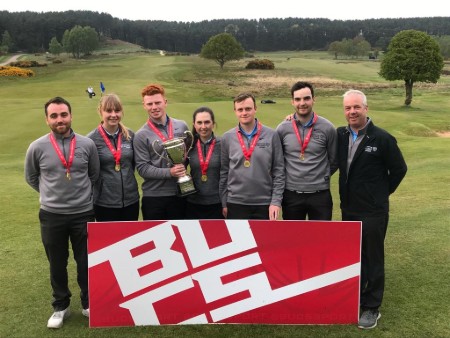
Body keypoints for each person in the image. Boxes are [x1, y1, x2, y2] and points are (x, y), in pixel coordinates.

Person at [24, 96, 100, 329]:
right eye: (54, 115)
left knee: (85, 261)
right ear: (47, 119)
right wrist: (51, 195)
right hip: (52, 215)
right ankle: (61, 306)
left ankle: (88, 303)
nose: (60, 120)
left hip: (83, 213)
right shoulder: (37, 147)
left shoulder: (86, 144)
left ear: (70, 116)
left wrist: (81, 198)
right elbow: (32, 177)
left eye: (63, 114)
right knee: (57, 262)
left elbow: (94, 175)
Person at [337, 89, 407, 329]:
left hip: (373, 210)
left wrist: (381, 193)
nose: (352, 112)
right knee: (354, 256)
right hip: (350, 209)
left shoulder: (382, 138)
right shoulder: (341, 134)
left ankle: (371, 307)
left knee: (373, 257)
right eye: (348, 108)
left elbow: (399, 169)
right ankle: (356, 295)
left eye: (356, 107)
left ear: (366, 108)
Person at [276, 81, 338, 220]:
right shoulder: (282, 128)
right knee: (293, 239)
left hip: (320, 194)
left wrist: (322, 176)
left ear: (313, 99)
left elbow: (334, 160)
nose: (302, 103)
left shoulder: (327, 128)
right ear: (292, 102)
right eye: (297, 99)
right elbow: (278, 161)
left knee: (321, 239)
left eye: (306, 98)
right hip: (291, 195)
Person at [219, 92, 285, 220]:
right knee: (239, 240)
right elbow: (224, 172)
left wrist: (275, 202)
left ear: (255, 109)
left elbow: (279, 172)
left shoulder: (272, 135)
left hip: (264, 203)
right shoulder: (227, 137)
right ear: (235, 111)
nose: (244, 113)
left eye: (248, 109)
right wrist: (224, 202)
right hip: (235, 203)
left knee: (265, 240)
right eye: (240, 109)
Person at [134, 83, 189, 220]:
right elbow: (143, 168)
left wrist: (184, 162)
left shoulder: (181, 126)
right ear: (144, 105)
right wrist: (169, 172)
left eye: (157, 102)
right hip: (154, 197)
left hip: (181, 193)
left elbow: (188, 154)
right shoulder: (141, 135)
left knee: (181, 239)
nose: (154, 107)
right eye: (149, 104)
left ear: (165, 102)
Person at [87, 94, 140, 221]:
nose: (113, 115)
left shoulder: (130, 135)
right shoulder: (91, 139)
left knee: (132, 239)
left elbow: (132, 165)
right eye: (108, 111)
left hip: (131, 201)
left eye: (117, 110)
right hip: (104, 203)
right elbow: (90, 173)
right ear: (100, 111)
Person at [186, 107, 222, 219]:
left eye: (207, 122)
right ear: (194, 124)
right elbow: (180, 167)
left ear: (213, 123)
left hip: (217, 203)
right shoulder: (188, 145)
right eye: (199, 123)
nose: (203, 126)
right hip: (193, 203)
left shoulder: (223, 144)